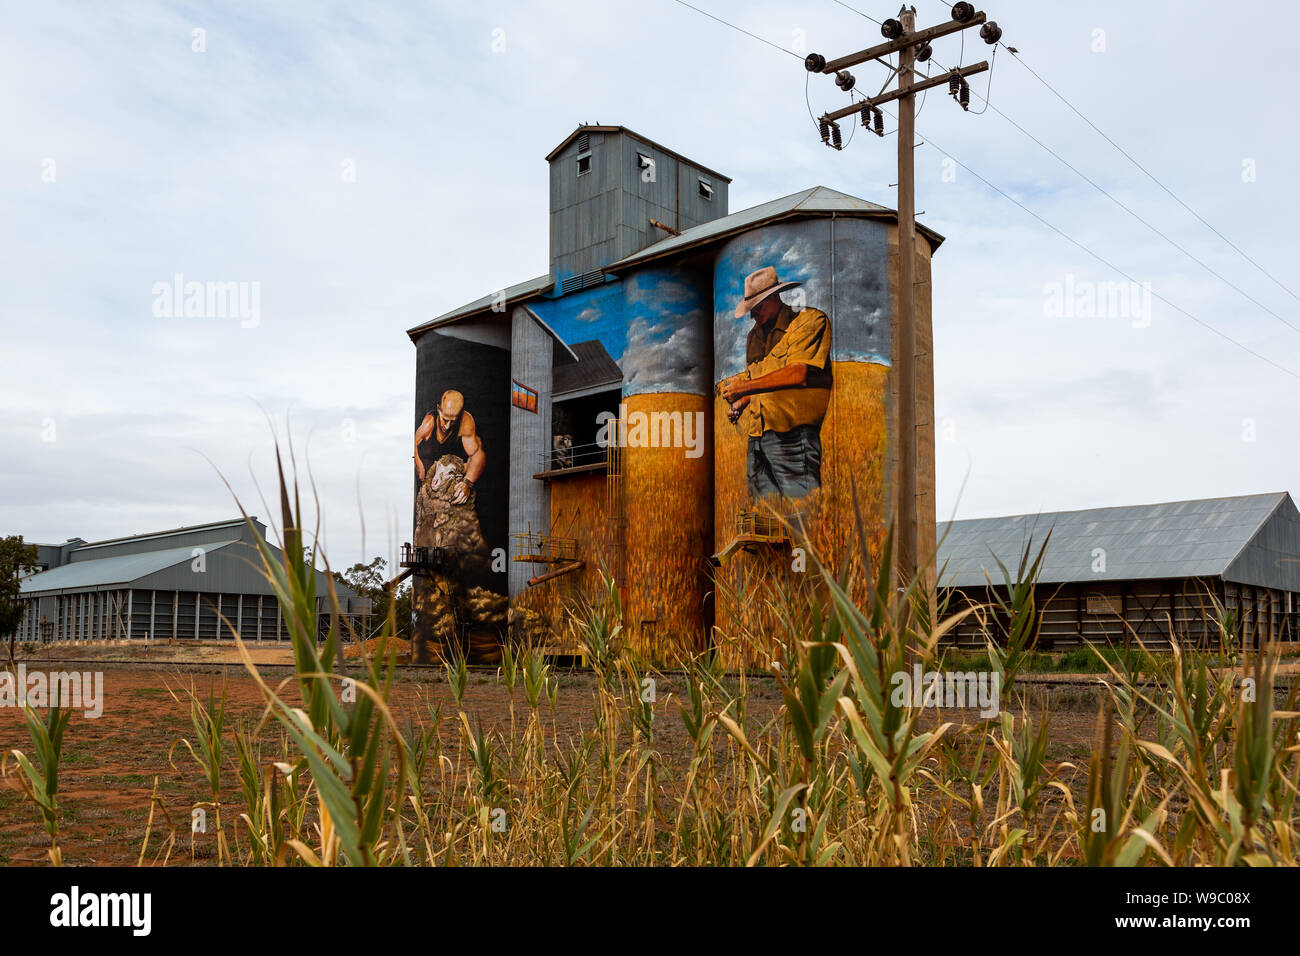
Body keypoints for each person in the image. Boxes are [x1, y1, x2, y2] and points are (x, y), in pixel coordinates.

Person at [719, 266, 832, 500]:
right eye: (750, 309)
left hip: (793, 438)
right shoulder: (754, 337)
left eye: (757, 307)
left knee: (802, 514)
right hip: (757, 437)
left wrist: (744, 387)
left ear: (774, 297)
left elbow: (797, 374)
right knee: (763, 521)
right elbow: (763, 382)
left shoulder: (809, 321)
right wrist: (742, 403)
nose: (753, 315)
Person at [414, 389, 484, 503]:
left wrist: (467, 482)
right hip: (428, 484)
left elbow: (477, 455)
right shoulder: (429, 422)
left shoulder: (465, 421)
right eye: (444, 420)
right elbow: (414, 442)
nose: (447, 426)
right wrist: (418, 463)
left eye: (452, 421)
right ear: (439, 410)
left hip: (450, 485)